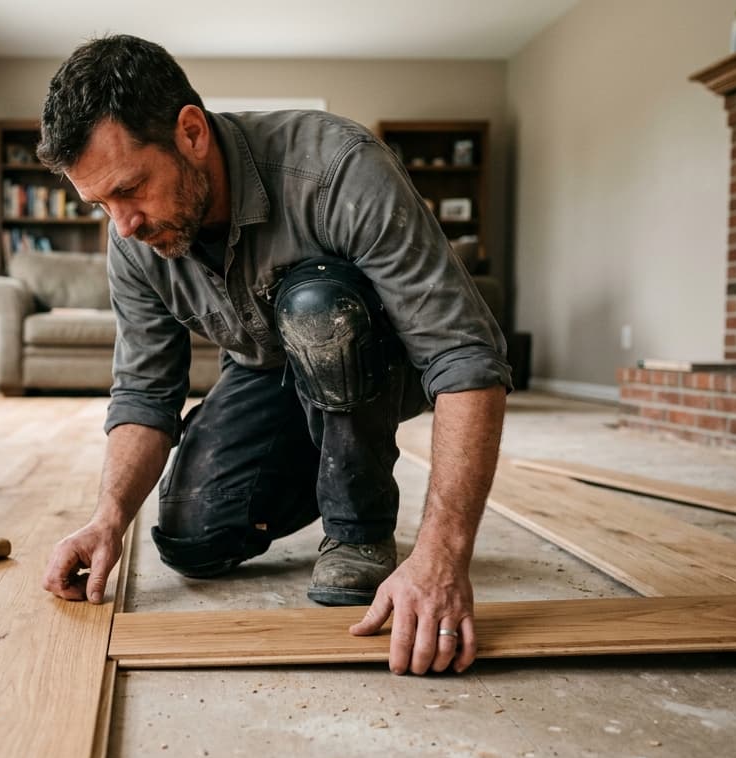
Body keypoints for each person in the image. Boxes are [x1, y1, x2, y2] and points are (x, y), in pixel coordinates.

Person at [37, 35, 510, 676]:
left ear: (191, 132)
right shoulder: (133, 243)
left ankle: (359, 522)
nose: (123, 225)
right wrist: (107, 519)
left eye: (131, 189)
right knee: (190, 539)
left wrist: (443, 555)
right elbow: (146, 395)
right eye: (101, 205)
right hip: (267, 370)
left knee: (319, 311)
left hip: (372, 355)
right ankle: (322, 452)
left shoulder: (339, 168)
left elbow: (465, 355)